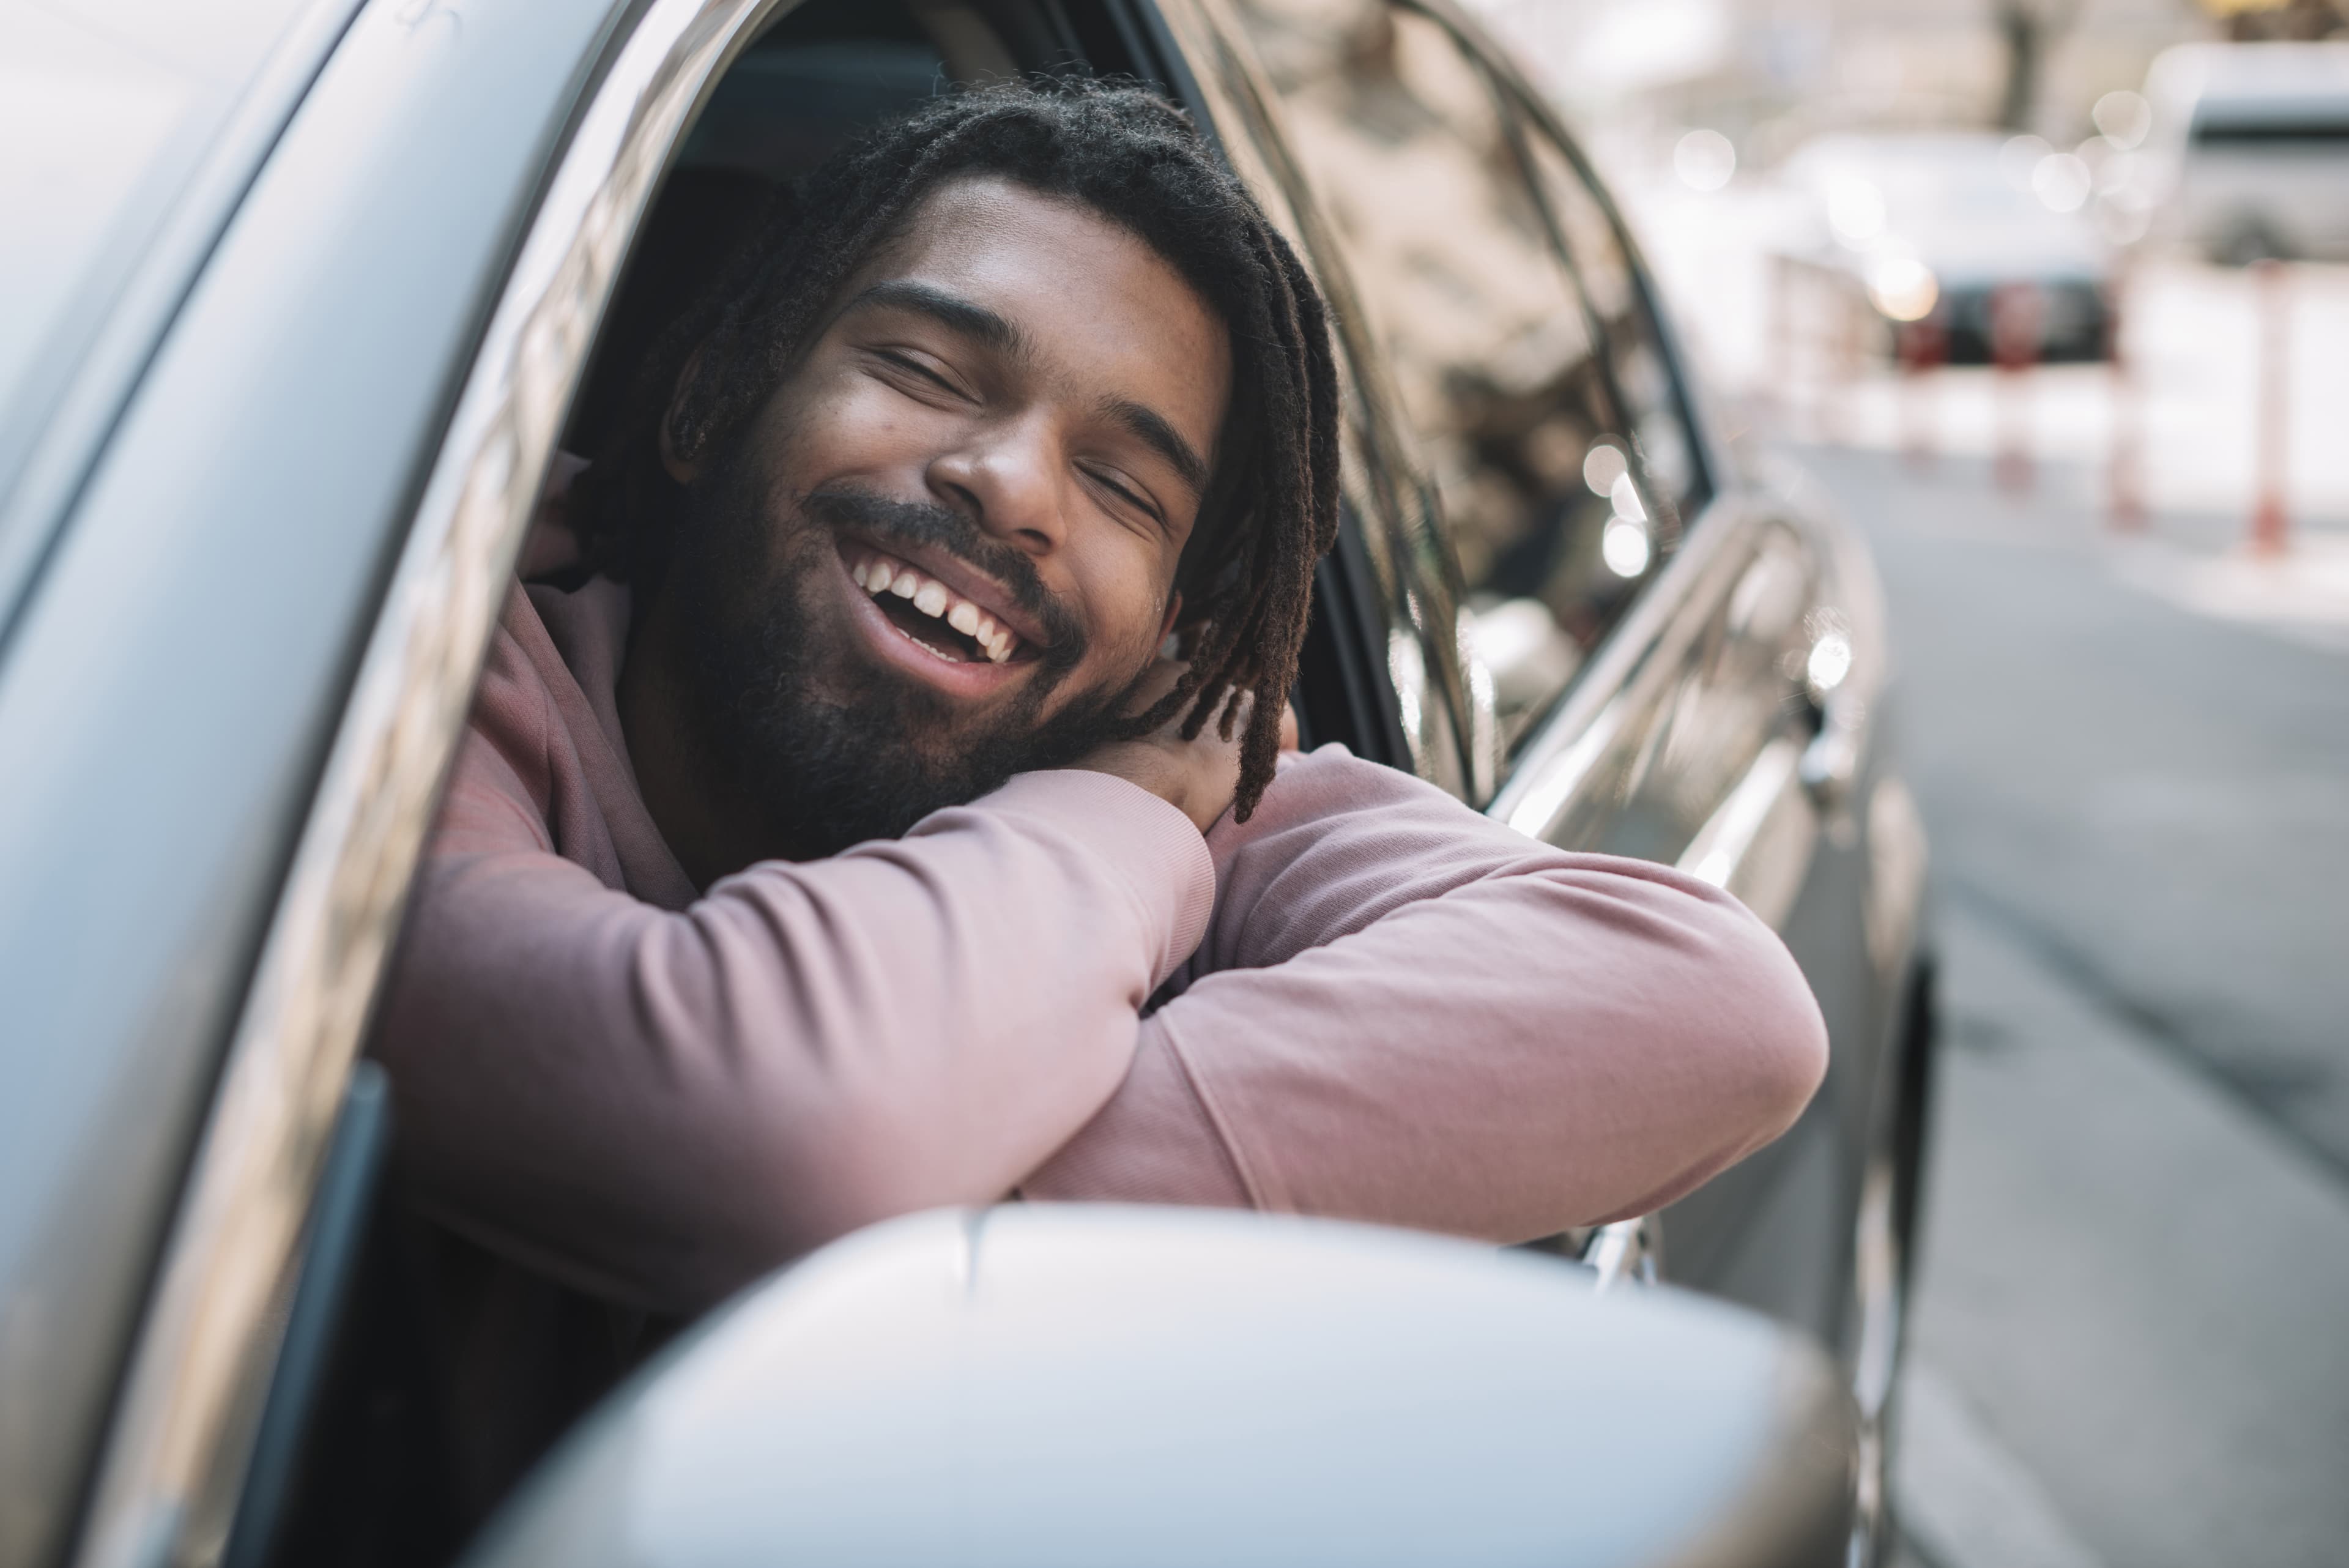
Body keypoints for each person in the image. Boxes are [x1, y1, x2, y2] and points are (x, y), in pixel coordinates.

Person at [372, 79, 1827, 1507]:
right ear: (713, 399)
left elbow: (1724, 1005)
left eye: (1126, 488)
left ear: (1168, 641)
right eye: (928, 370)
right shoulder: (405, 712)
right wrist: (1076, 891)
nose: (1013, 486)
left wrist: (1113, 829)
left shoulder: (1154, 773)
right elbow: (790, 1127)